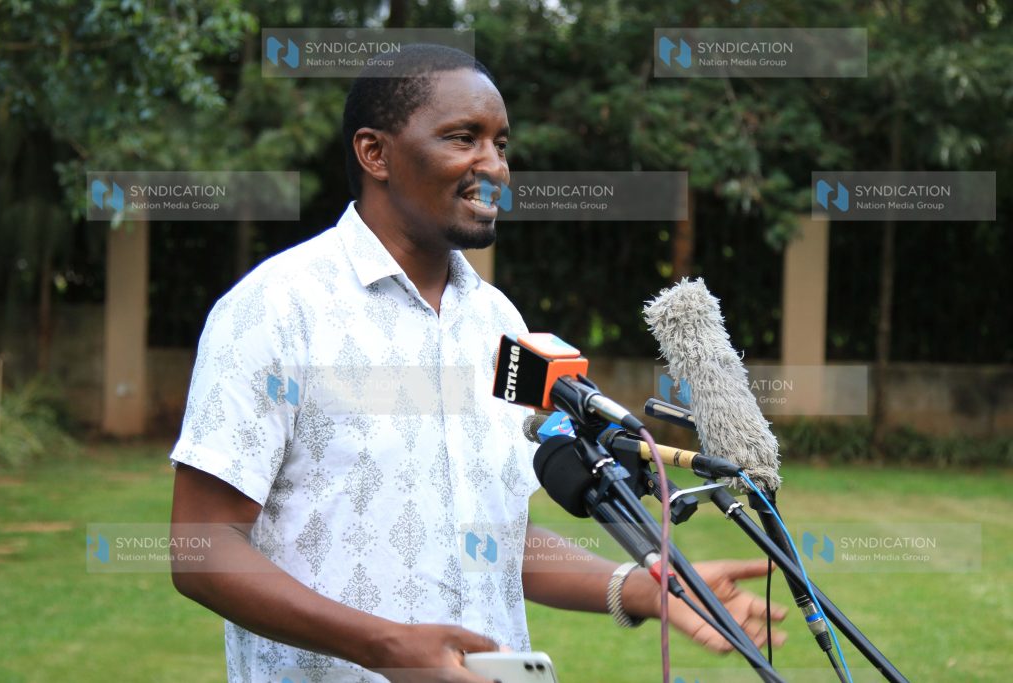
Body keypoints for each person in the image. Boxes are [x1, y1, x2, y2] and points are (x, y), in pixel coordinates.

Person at [169, 44, 786, 683]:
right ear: (375, 153)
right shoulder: (274, 309)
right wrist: (384, 647)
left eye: (501, 144)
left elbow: (495, 533)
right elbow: (202, 549)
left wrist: (650, 588)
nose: (494, 167)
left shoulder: (498, 323)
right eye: (463, 138)